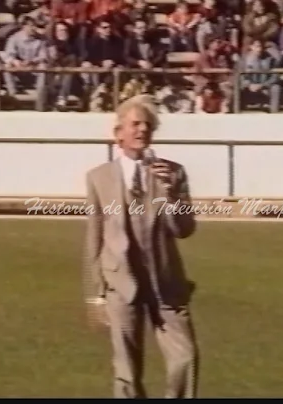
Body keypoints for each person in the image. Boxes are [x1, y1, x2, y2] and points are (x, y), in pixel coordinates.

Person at [83, 94, 199, 399]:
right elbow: (94, 237)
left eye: (148, 125)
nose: (142, 130)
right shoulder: (99, 178)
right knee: (127, 369)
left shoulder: (173, 173)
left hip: (166, 281)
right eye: (135, 124)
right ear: (118, 132)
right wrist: (95, 295)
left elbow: (184, 229)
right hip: (120, 283)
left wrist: (172, 195)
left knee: (185, 357)